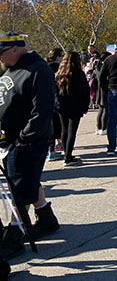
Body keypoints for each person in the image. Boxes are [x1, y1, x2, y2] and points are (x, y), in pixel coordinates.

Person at [0, 32, 60, 259]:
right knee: (28, 181)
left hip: (27, 141)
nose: (0, 58)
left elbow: (42, 111)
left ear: (16, 48)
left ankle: (15, 235)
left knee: (20, 187)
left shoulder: (38, 70)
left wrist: (24, 137)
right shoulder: (13, 68)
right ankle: (46, 218)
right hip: (9, 138)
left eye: (2, 53)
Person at [55, 52, 90, 167]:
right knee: (72, 131)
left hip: (62, 105)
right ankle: (68, 156)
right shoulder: (79, 74)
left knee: (64, 130)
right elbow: (85, 92)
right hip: (75, 105)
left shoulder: (59, 74)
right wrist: (85, 106)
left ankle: (66, 153)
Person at [45, 48, 64, 161]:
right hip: (55, 99)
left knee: (50, 125)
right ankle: (51, 150)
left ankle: (51, 149)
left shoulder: (44, 66)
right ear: (57, 57)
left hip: (45, 99)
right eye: (62, 56)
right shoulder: (57, 68)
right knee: (56, 124)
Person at [94, 52, 111, 135]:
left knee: (101, 109)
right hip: (104, 90)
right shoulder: (103, 66)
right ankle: (104, 128)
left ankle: (99, 127)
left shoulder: (98, 66)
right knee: (106, 109)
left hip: (99, 90)